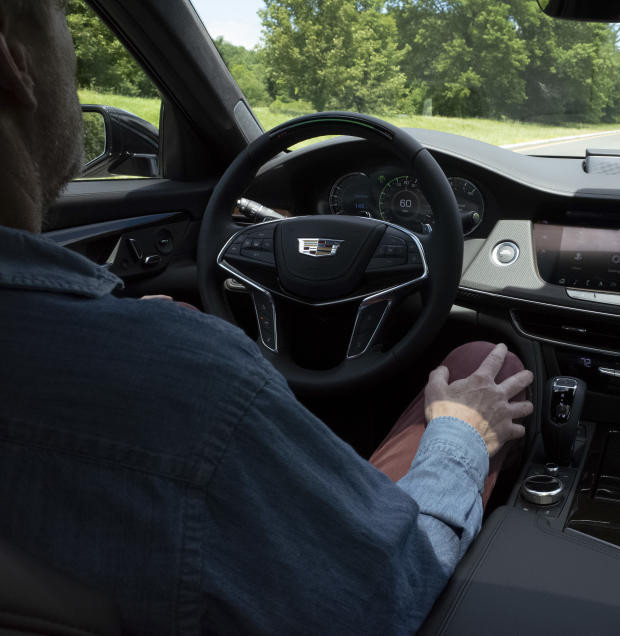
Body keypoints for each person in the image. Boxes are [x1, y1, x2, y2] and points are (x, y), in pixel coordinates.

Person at [0, 1, 534, 634]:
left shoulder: (157, 368)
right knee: (476, 368)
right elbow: (388, 590)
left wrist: (142, 335)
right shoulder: (187, 389)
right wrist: (464, 436)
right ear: (13, 60)